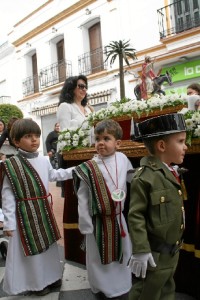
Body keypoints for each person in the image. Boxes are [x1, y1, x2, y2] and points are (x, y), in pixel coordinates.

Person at [1, 118, 75, 296]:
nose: (34, 139)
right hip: (24, 216)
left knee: (48, 247)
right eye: (28, 136)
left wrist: (76, 170)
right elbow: (8, 195)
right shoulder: (10, 165)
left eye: (36, 135)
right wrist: (9, 223)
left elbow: (54, 175)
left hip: (43, 211)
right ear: (17, 141)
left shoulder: (43, 160)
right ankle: (37, 283)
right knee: (31, 252)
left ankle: (52, 276)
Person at [128, 113, 187, 300]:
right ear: (162, 146)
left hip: (171, 252)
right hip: (154, 254)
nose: (186, 146)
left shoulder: (170, 172)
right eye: (180, 141)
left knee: (167, 289)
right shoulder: (145, 178)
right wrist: (141, 249)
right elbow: (136, 216)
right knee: (147, 292)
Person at [72, 119, 134, 299]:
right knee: (97, 258)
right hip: (97, 222)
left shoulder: (122, 159)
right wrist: (84, 223)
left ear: (118, 143)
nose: (100, 142)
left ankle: (121, 286)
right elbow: (82, 197)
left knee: (122, 254)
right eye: (97, 138)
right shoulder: (89, 167)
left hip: (117, 219)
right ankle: (100, 287)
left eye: (106, 138)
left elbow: (131, 177)